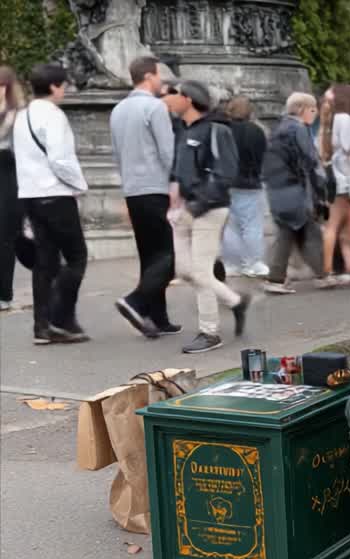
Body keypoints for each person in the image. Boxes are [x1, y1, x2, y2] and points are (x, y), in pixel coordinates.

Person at [167, 80, 250, 353]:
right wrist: (175, 201)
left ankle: (209, 332)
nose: (170, 98)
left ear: (188, 99)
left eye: (174, 94)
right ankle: (235, 301)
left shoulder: (217, 131)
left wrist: (195, 206)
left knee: (201, 272)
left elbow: (226, 174)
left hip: (210, 209)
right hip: (187, 208)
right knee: (184, 270)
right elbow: (179, 172)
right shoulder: (183, 129)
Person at [14, 63, 90, 344]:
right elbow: (60, 159)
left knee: (44, 261)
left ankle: (41, 326)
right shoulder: (54, 116)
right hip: (56, 193)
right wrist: (80, 184)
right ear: (56, 86)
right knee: (76, 257)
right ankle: (61, 319)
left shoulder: (22, 116)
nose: (66, 90)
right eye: (65, 85)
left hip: (30, 194)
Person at [107, 56, 178, 338]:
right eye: (159, 75)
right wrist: (177, 186)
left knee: (150, 255)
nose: (161, 80)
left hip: (134, 189)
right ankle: (135, 300)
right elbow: (168, 152)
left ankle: (156, 316)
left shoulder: (118, 110)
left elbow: (117, 154)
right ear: (149, 76)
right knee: (171, 255)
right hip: (156, 187)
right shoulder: (155, 107)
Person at [261, 92, 328, 295]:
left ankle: (282, 277)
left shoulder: (278, 128)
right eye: (312, 109)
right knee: (305, 231)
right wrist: (322, 187)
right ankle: (321, 275)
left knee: (293, 232)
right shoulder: (299, 129)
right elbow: (310, 161)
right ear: (301, 109)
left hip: (277, 189)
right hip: (295, 191)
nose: (315, 114)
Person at [318, 84, 350, 288]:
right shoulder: (346, 120)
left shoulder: (330, 120)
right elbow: (349, 148)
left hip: (335, 178)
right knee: (336, 226)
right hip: (344, 179)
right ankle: (328, 271)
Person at [219, 95, 269, 278]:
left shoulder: (223, 130)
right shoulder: (256, 131)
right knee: (251, 225)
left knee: (230, 226)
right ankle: (253, 262)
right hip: (251, 181)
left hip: (226, 183)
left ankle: (233, 263)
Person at [0, 65, 24, 312]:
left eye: (2, 86)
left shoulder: (16, 115)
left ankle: (4, 293)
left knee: (6, 237)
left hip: (8, 176)